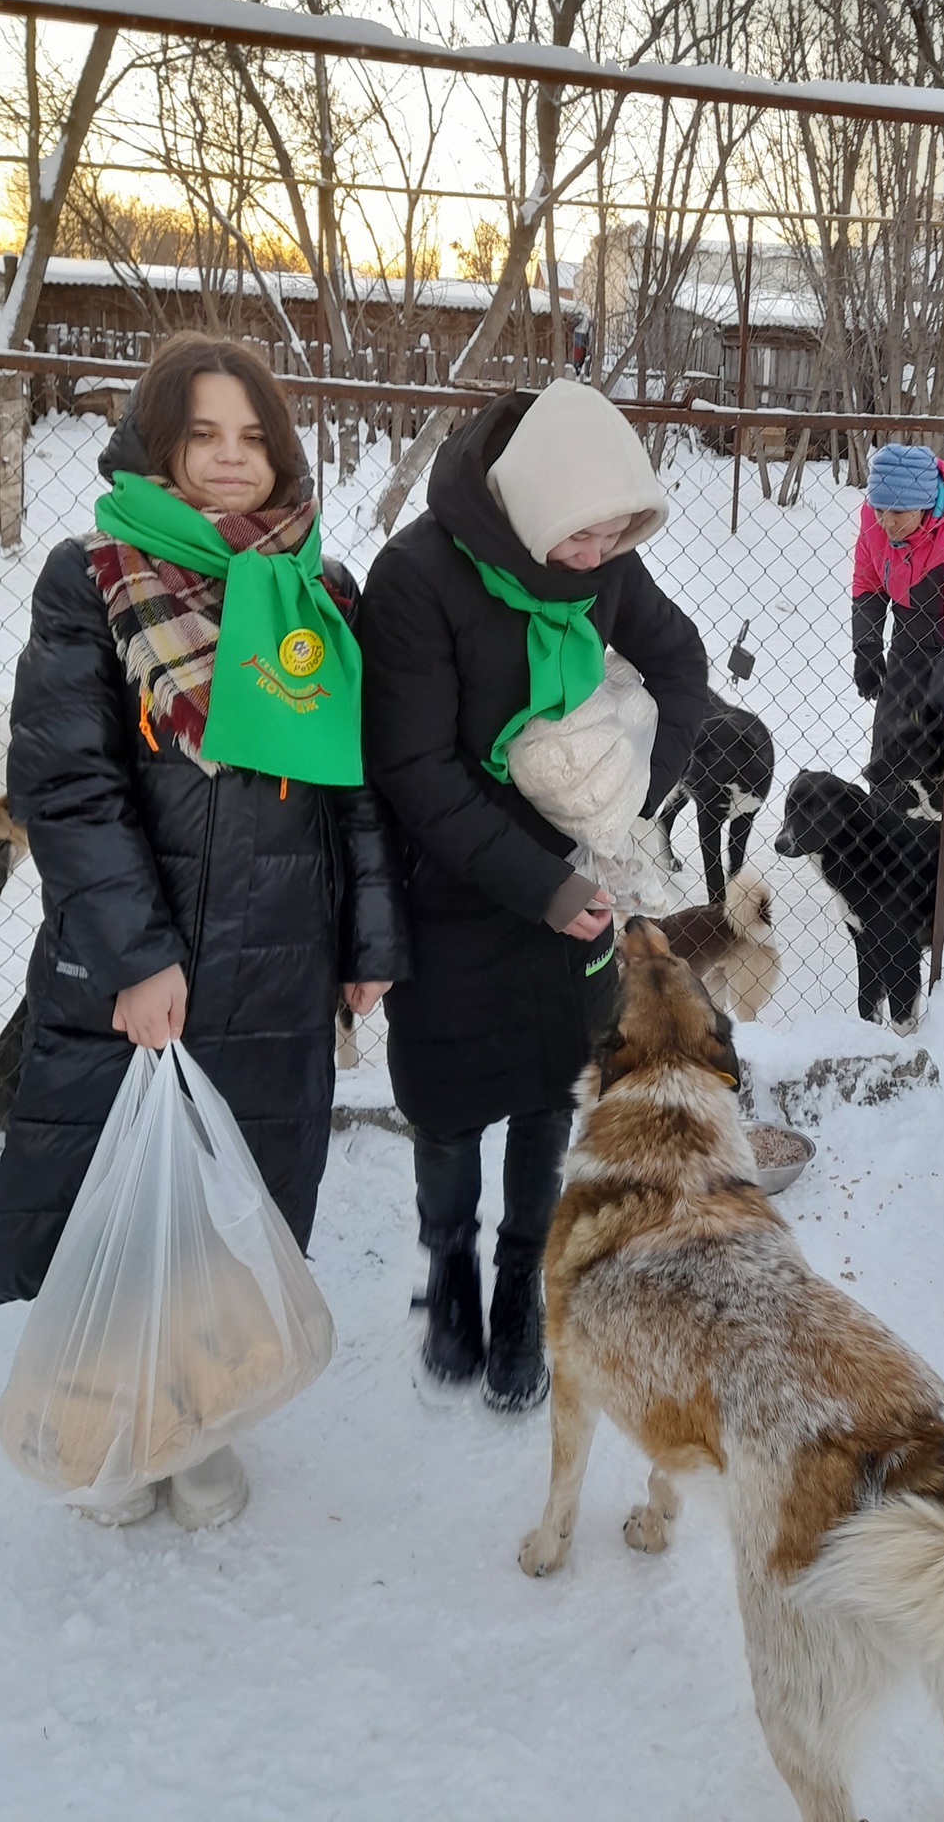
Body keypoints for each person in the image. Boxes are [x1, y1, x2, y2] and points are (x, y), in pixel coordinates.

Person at [0, 334, 408, 1529]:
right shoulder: (91, 575)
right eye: (202, 434)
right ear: (158, 445)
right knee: (127, 1206)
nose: (228, 460)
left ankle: (200, 1419)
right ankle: (117, 1432)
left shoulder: (321, 586)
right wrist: (137, 957)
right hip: (144, 969)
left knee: (228, 1208)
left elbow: (353, 783)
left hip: (281, 966)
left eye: (252, 437)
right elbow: (71, 785)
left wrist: (369, 942)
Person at [359, 378, 708, 1413]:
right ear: (534, 502)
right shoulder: (418, 576)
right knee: (451, 1109)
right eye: (585, 536)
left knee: (547, 1098)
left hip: (578, 898)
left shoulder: (599, 562)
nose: (600, 559)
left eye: (617, 538)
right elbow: (413, 766)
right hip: (459, 895)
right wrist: (539, 885)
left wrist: (641, 786)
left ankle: (521, 1288)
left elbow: (681, 663)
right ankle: (452, 1278)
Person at [851, 442, 944, 795]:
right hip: (908, 632)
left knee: (943, 739)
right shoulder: (875, 522)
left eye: (898, 512)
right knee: (891, 734)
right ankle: (883, 826)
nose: (886, 521)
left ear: (925, 506)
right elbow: (868, 583)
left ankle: (943, 832)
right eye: (880, 508)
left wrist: (943, 695)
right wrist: (866, 646)